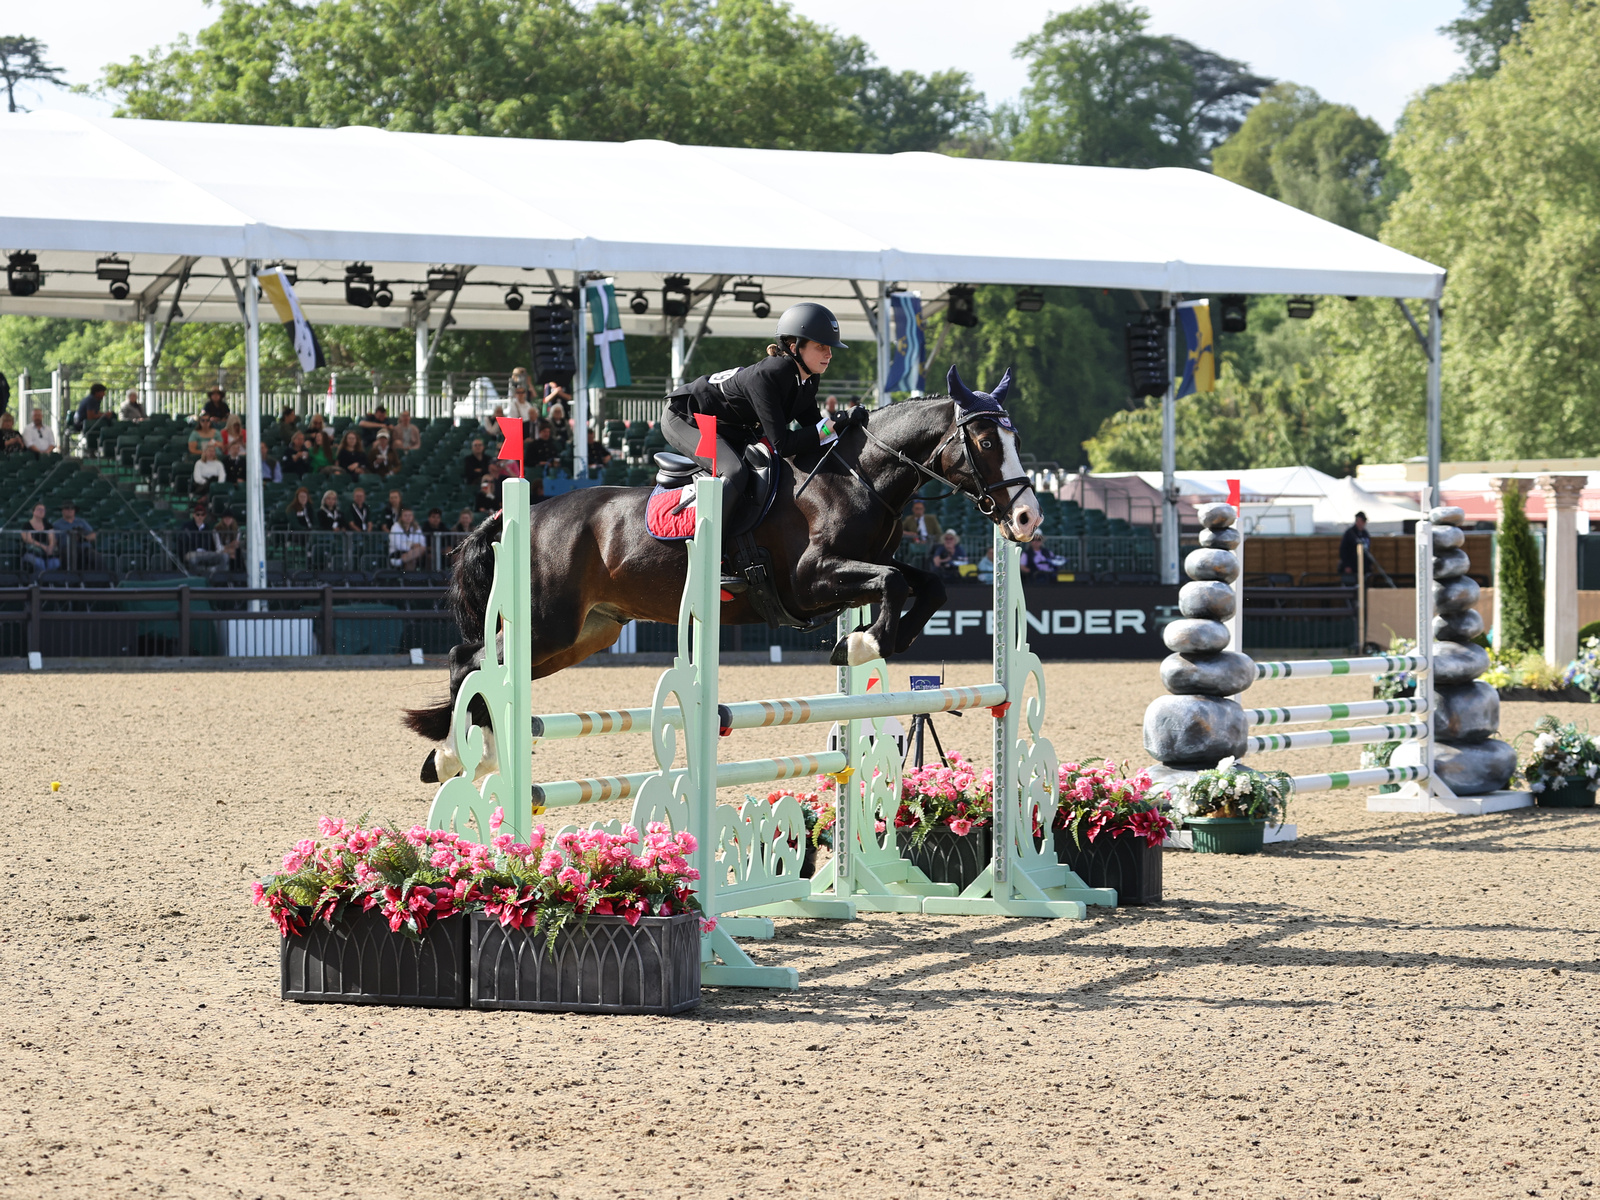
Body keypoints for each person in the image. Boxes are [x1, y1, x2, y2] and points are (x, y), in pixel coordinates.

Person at [660, 303, 853, 564]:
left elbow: (816, 432)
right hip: (688, 417)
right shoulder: (770, 375)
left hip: (729, 426)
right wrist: (833, 425)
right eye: (821, 346)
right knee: (735, 472)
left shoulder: (807, 379)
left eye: (830, 348)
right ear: (794, 346)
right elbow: (784, 444)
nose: (829, 354)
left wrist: (849, 426)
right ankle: (711, 556)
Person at [180, 501, 226, 572]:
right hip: (192, 553)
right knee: (194, 559)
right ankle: (201, 573)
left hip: (206, 553)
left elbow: (211, 544)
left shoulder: (207, 528)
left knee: (224, 556)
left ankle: (212, 571)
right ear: (194, 515)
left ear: (205, 516)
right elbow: (185, 542)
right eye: (198, 514)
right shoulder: (187, 527)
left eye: (202, 514)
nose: (200, 517)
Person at [52, 501, 99, 571]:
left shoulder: (81, 522)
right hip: (67, 549)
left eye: (72, 509)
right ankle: (71, 577)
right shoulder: (57, 524)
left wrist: (84, 538)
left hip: (84, 548)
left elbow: (93, 535)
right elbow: (54, 540)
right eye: (67, 508)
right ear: (63, 511)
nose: (70, 510)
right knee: (70, 555)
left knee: (95, 556)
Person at [19, 502, 59, 577]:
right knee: (39, 564)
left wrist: (50, 547)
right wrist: (43, 547)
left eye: (43, 510)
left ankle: (49, 582)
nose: (41, 511)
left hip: (46, 552)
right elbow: (28, 539)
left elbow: (52, 538)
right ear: (33, 511)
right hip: (31, 552)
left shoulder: (48, 525)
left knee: (55, 563)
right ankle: (39, 582)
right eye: (39, 509)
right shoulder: (26, 525)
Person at [1340, 511, 1370, 583]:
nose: (1362, 523)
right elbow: (1343, 550)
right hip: (1352, 566)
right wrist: (1347, 565)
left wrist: (1368, 564)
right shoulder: (1350, 533)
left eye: (1363, 521)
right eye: (1360, 521)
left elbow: (1367, 549)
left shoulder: (1365, 533)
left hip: (1363, 567)